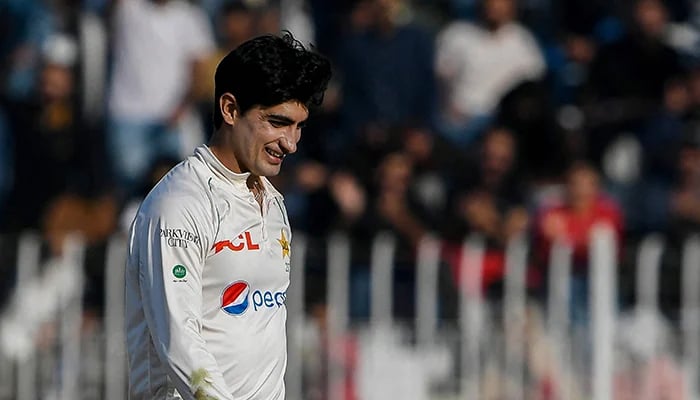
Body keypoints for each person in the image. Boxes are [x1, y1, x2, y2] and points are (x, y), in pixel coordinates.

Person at [125, 32, 331, 400]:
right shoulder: (179, 205)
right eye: (278, 122)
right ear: (230, 109)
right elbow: (179, 341)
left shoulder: (271, 200)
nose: (291, 143)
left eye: (299, 126)